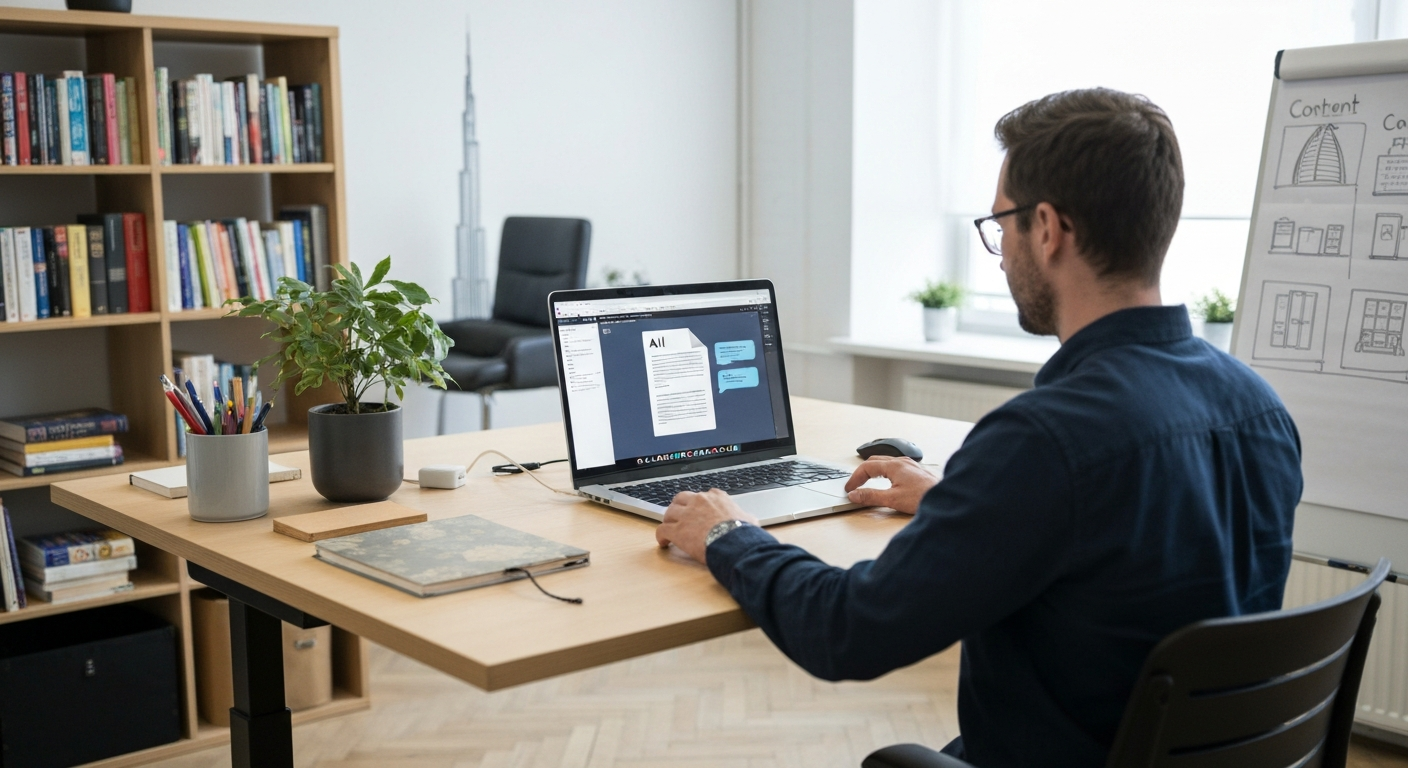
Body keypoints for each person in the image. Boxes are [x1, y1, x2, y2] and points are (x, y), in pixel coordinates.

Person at [655, 88, 1303, 768]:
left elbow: (846, 632)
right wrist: (955, 503)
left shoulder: (1046, 439)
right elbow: (1125, 550)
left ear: (1048, 228)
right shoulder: (1256, 405)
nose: (998, 252)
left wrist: (730, 535)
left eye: (1002, 224)